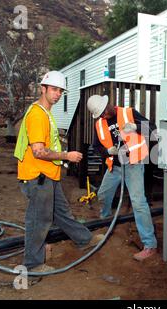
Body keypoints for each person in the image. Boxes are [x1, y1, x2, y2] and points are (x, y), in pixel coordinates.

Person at [14, 71, 102, 273]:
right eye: (54, 89)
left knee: (61, 212)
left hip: (48, 176)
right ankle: (33, 265)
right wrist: (66, 156)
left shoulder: (46, 113)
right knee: (39, 219)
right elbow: (38, 151)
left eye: (60, 91)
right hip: (37, 177)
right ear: (42, 89)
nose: (57, 94)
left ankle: (83, 239)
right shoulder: (37, 114)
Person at [86, 94, 157, 261]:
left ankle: (150, 245)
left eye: (104, 112)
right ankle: (106, 221)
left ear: (108, 104)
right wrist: (107, 152)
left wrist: (136, 127)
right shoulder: (100, 124)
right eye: (100, 114)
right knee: (103, 194)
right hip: (115, 167)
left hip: (133, 164)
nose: (103, 116)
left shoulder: (129, 113)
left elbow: (152, 130)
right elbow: (96, 146)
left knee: (138, 203)